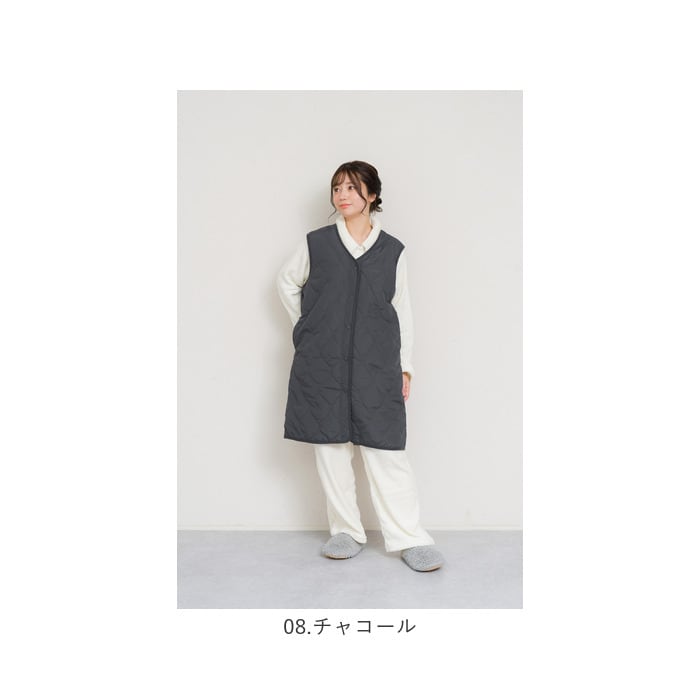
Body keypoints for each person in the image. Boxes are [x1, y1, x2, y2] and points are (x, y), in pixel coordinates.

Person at [276, 160, 444, 572]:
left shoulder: (392, 251)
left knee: (386, 451)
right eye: (337, 188)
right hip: (323, 365)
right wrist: (307, 327)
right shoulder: (316, 243)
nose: (342, 195)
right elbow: (286, 281)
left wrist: (405, 366)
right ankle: (346, 531)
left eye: (352, 187)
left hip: (376, 363)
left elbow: (402, 310)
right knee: (331, 449)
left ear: (372, 194)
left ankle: (409, 537)